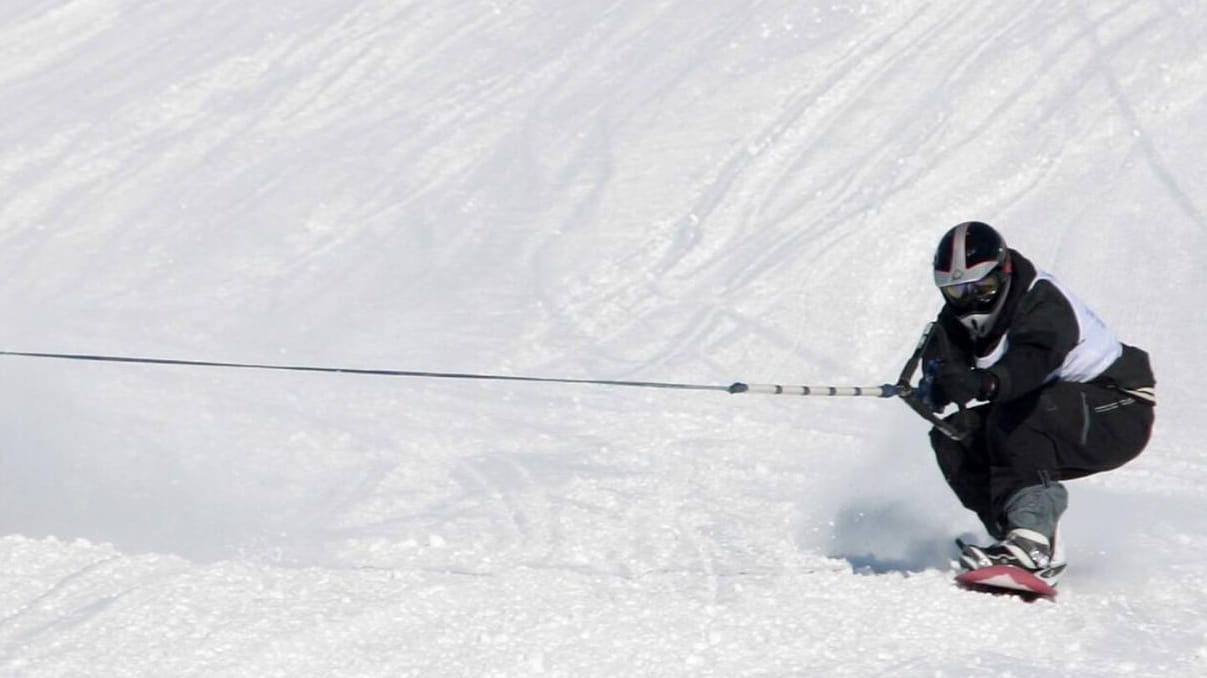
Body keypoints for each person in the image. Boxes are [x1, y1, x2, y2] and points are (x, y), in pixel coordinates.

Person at [922, 221, 1155, 587]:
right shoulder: (961, 313)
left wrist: (987, 381)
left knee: (1018, 413)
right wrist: (936, 386)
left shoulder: (1040, 299)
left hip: (1119, 409)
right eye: (955, 292)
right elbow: (940, 358)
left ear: (1004, 271)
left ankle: (1033, 542)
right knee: (954, 436)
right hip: (1061, 409)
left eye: (981, 287)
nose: (969, 300)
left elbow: (1033, 360)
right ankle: (1017, 535)